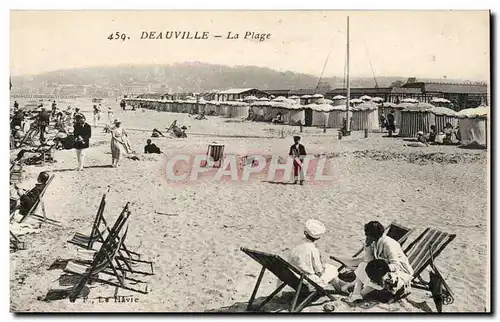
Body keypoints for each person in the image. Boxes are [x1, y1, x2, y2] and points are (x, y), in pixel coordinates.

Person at [344, 221, 413, 303]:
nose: (366, 236)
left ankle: (360, 295)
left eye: (368, 234)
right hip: (382, 268)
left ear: (374, 235)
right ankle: (356, 294)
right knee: (363, 265)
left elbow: (396, 265)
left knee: (378, 273)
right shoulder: (375, 242)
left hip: (399, 272)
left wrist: (383, 267)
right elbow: (369, 261)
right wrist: (368, 247)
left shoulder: (388, 244)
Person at [289, 219, 341, 288]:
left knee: (328, 268)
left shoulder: (297, 244)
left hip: (292, 275)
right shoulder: (313, 249)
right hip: (305, 280)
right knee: (332, 269)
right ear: (318, 238)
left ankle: (343, 285)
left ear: (305, 232)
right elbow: (319, 271)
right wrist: (323, 269)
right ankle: (341, 288)